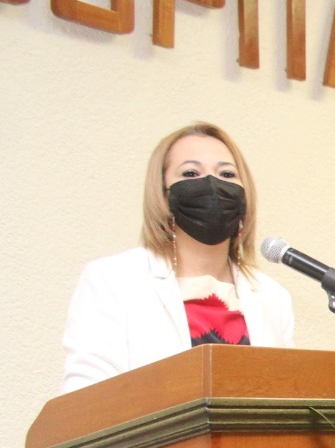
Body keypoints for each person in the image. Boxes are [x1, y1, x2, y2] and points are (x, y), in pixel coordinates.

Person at [61, 121, 295, 393]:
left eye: (227, 174)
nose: (212, 184)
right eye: (191, 172)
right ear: (163, 194)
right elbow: (84, 399)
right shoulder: (112, 281)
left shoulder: (272, 296)